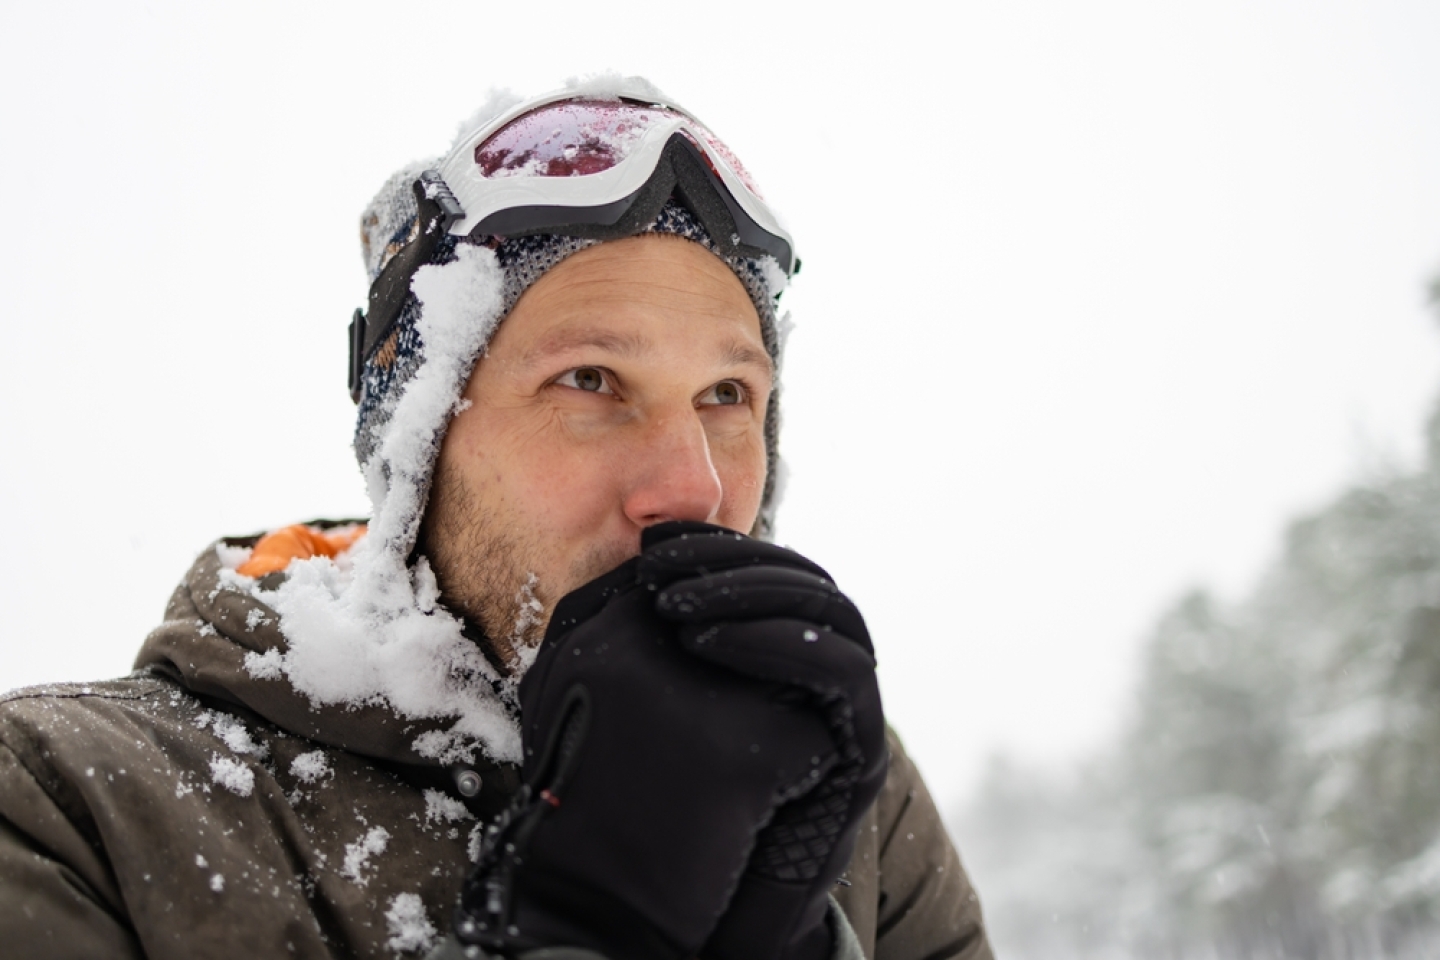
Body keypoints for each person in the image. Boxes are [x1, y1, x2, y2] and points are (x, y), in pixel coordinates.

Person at [0, 77, 991, 960]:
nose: (691, 491)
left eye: (727, 395)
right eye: (592, 380)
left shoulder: (852, 802)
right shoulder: (71, 804)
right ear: (421, 448)